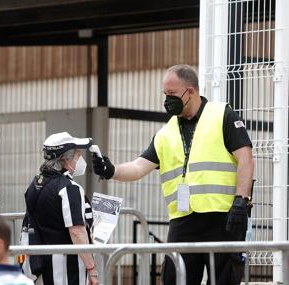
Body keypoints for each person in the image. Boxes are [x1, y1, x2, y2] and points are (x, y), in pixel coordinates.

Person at [92, 64, 254, 285]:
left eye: (172, 94)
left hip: (223, 217)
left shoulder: (221, 115)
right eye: (165, 94)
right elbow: (139, 167)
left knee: (224, 280)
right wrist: (112, 171)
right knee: (174, 279)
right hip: (183, 221)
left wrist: (241, 200)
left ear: (191, 91)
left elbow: (245, 158)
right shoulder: (165, 133)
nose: (167, 100)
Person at [23, 132, 99, 285]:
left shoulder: (36, 183)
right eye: (78, 155)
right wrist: (92, 269)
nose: (80, 160)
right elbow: (77, 232)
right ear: (66, 159)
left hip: (40, 264)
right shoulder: (70, 188)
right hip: (67, 267)